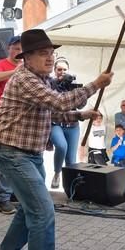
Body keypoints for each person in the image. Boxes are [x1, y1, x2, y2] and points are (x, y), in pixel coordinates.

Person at [0, 29, 112, 250]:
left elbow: (52, 109)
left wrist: (80, 114)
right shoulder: (25, 79)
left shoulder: (39, 79)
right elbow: (58, 101)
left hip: (27, 154)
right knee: (42, 213)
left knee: (29, 208)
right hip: (13, 154)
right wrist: (95, 84)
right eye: (43, 54)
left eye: (51, 53)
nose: (49, 58)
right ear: (27, 58)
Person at [0, 35, 23, 213]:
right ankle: (3, 198)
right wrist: (15, 71)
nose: (18, 52)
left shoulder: (26, 65)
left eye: (21, 49)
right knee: (6, 156)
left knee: (20, 156)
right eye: (15, 48)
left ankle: (17, 195)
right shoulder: (2, 63)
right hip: (5, 116)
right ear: (9, 48)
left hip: (21, 116)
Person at [49, 58, 80, 189]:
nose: (62, 72)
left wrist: (75, 90)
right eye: (59, 69)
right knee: (61, 146)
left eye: (64, 70)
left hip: (72, 124)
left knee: (71, 161)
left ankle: (70, 190)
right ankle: (57, 173)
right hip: (56, 123)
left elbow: (81, 104)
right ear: (55, 71)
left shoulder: (73, 83)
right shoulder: (50, 83)